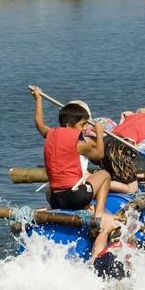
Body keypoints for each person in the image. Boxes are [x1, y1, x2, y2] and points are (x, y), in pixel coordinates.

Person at [29, 85, 111, 215]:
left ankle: (78, 209)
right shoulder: (80, 144)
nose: (85, 128)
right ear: (68, 125)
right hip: (76, 197)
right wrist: (99, 134)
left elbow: (39, 123)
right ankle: (99, 214)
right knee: (104, 175)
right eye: (82, 125)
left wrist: (38, 99)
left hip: (54, 198)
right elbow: (99, 155)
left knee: (54, 187)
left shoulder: (50, 133)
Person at [101, 96, 145, 193]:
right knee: (132, 189)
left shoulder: (134, 117)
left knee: (119, 177)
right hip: (119, 149)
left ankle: (102, 180)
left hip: (104, 144)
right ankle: (96, 182)